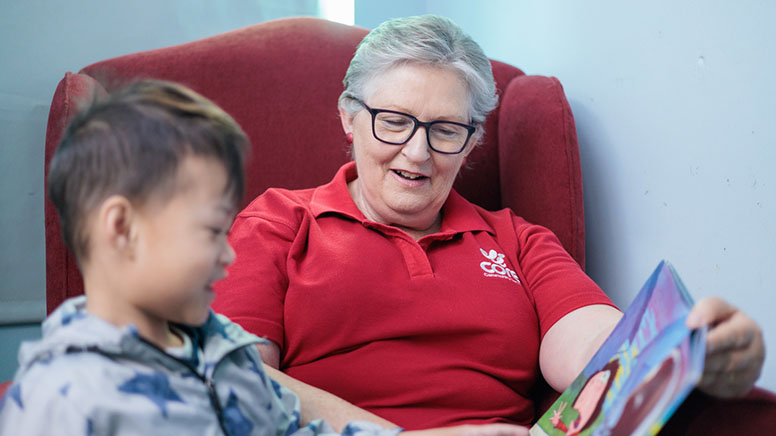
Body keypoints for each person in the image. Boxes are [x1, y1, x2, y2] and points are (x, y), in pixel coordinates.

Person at [211, 14, 766, 431]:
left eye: (446, 129)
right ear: (349, 117)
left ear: (473, 141)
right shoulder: (278, 221)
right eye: (394, 122)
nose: (417, 153)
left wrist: (694, 352)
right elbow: (234, 382)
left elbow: (603, 354)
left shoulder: (517, 240)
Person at [0, 80, 528, 436]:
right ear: (121, 231)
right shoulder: (64, 384)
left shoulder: (227, 358)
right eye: (208, 231)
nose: (231, 248)